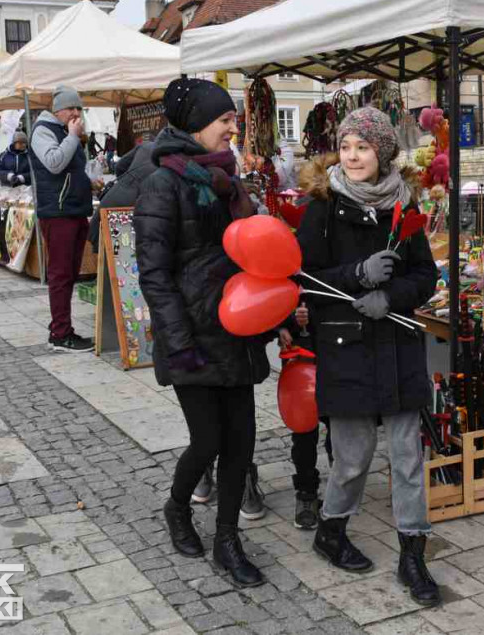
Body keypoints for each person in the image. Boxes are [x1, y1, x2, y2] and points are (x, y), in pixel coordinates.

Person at [296, 107, 441, 607]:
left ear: (382, 152)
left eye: (363, 147)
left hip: (398, 348)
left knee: (407, 459)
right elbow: (304, 280)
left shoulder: (404, 203)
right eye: (347, 146)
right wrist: (357, 274)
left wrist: (393, 296)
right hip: (347, 348)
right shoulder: (322, 204)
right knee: (353, 459)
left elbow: (426, 276)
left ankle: (413, 556)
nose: (353, 156)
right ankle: (330, 532)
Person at [134, 77, 268, 589]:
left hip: (236, 328)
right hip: (191, 334)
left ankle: (228, 539)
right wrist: (179, 342)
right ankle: (176, 507)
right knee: (208, 439)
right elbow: (154, 273)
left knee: (243, 442)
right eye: (224, 120)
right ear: (196, 126)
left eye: (233, 118)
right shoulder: (162, 183)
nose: (234, 127)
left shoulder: (230, 181)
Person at [28, 84, 95, 353]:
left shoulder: (67, 131)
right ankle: (60, 334)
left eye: (79, 108)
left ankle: (63, 327)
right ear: (58, 110)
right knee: (61, 274)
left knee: (69, 273)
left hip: (74, 210)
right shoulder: (44, 130)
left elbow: (70, 168)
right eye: (72, 108)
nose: (76, 113)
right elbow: (54, 162)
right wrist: (72, 137)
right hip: (58, 212)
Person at [278, 302, 334, 530]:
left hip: (335, 347)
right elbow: (272, 302)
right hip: (299, 355)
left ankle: (341, 489)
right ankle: (306, 494)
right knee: (303, 432)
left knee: (340, 424)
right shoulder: (289, 271)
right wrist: (285, 323)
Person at [86, 138, 157, 253]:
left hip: (113, 201)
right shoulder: (176, 163)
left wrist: (127, 182)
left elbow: (120, 166)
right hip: (131, 214)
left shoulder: (146, 146)